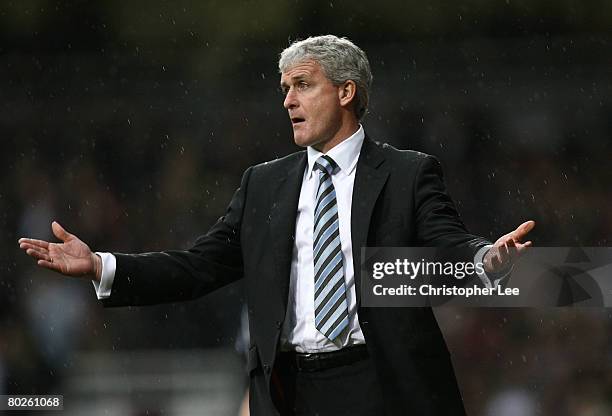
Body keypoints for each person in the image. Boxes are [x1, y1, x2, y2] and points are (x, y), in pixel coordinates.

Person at [19, 35, 535, 415]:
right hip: (291, 391)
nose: (287, 99)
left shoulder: (406, 172)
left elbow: (451, 243)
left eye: (303, 86)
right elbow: (200, 265)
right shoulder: (263, 184)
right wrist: (102, 266)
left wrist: (487, 259)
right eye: (285, 88)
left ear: (347, 92)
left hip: (380, 383)